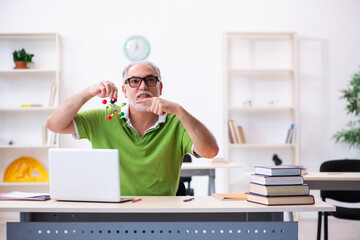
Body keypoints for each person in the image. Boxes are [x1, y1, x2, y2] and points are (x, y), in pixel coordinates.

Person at [46, 61, 219, 196]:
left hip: (164, 215)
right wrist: (88, 92)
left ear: (160, 87)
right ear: (124, 90)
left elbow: (210, 151)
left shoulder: (177, 121)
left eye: (150, 80)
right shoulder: (105, 117)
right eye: (134, 81)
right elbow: (54, 125)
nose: (143, 86)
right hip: (113, 214)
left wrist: (180, 111)